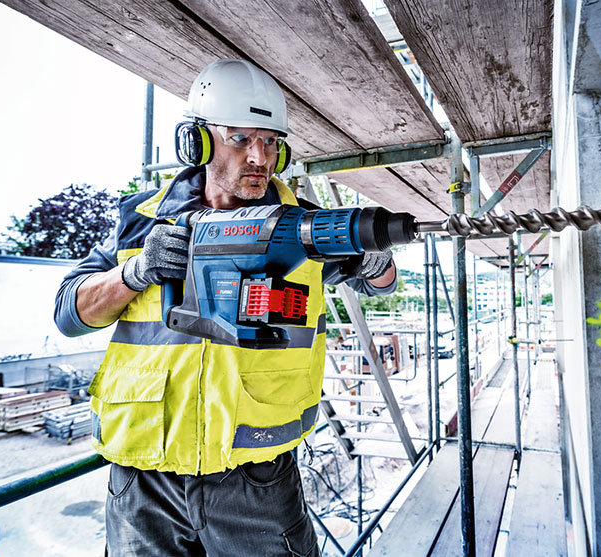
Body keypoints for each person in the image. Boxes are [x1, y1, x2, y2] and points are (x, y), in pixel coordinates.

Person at [54, 58, 397, 556]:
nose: (260, 156)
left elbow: (382, 284)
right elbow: (69, 314)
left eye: (271, 142)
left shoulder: (302, 227)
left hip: (255, 477)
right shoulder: (140, 222)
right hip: (143, 477)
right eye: (240, 138)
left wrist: (375, 257)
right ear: (197, 142)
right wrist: (135, 272)